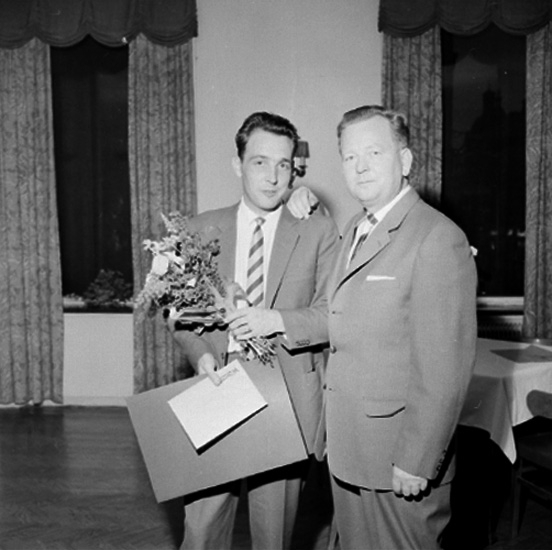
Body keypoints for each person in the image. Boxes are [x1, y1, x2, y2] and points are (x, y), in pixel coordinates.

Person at [289, 105, 477, 549]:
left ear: (405, 161)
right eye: (350, 157)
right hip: (350, 448)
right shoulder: (357, 227)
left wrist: (418, 458)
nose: (360, 166)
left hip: (398, 457)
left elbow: (445, 367)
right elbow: (342, 320)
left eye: (374, 152)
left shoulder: (436, 236)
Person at [168, 111, 339, 550]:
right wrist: (201, 353)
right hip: (217, 389)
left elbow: (332, 315)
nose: (272, 177)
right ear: (237, 164)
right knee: (201, 530)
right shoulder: (201, 229)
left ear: (295, 170)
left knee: (273, 535)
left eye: (283, 164)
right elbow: (181, 315)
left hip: (286, 399)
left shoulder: (318, 231)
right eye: (260, 162)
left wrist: (275, 320)